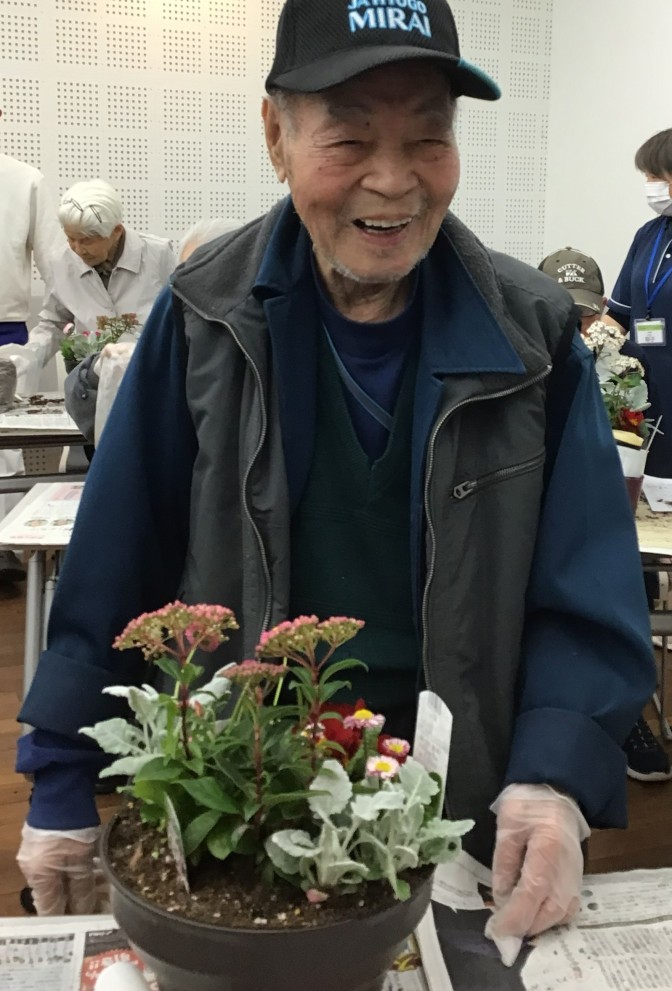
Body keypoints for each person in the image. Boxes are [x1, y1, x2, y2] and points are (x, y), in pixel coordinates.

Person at [16, 0, 654, 954]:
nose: (393, 181)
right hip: (244, 791)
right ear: (276, 136)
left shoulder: (532, 336)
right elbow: (117, 559)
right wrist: (62, 776)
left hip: (460, 798)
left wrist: (554, 775)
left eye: (428, 137)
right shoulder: (203, 319)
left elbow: (585, 583)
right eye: (349, 138)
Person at [540, 247, 672, 783]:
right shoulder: (521, 358)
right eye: (565, 312)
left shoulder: (626, 365)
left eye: (585, 313)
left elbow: (639, 438)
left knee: (623, 580)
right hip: (538, 514)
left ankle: (628, 712)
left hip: (605, 507)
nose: (578, 326)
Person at [65, 219, 241, 443]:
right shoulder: (174, 337)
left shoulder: (243, 356)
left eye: (87, 240)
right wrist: (98, 370)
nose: (79, 249)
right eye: (184, 277)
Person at [0, 107, 64, 584]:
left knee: (3, 448)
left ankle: (3, 551)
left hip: (3, 329)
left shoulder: (24, 181)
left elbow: (54, 262)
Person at [26, 179, 175, 370]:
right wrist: (24, 359)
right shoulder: (61, 262)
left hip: (150, 370)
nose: (78, 249)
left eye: (87, 240)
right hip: (92, 373)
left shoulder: (158, 254)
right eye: (71, 238)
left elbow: (180, 316)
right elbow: (54, 323)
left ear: (116, 231)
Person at [600, 129, 672, 479]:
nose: (649, 185)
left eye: (656, 176)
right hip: (645, 394)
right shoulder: (649, 234)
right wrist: (585, 347)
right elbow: (619, 314)